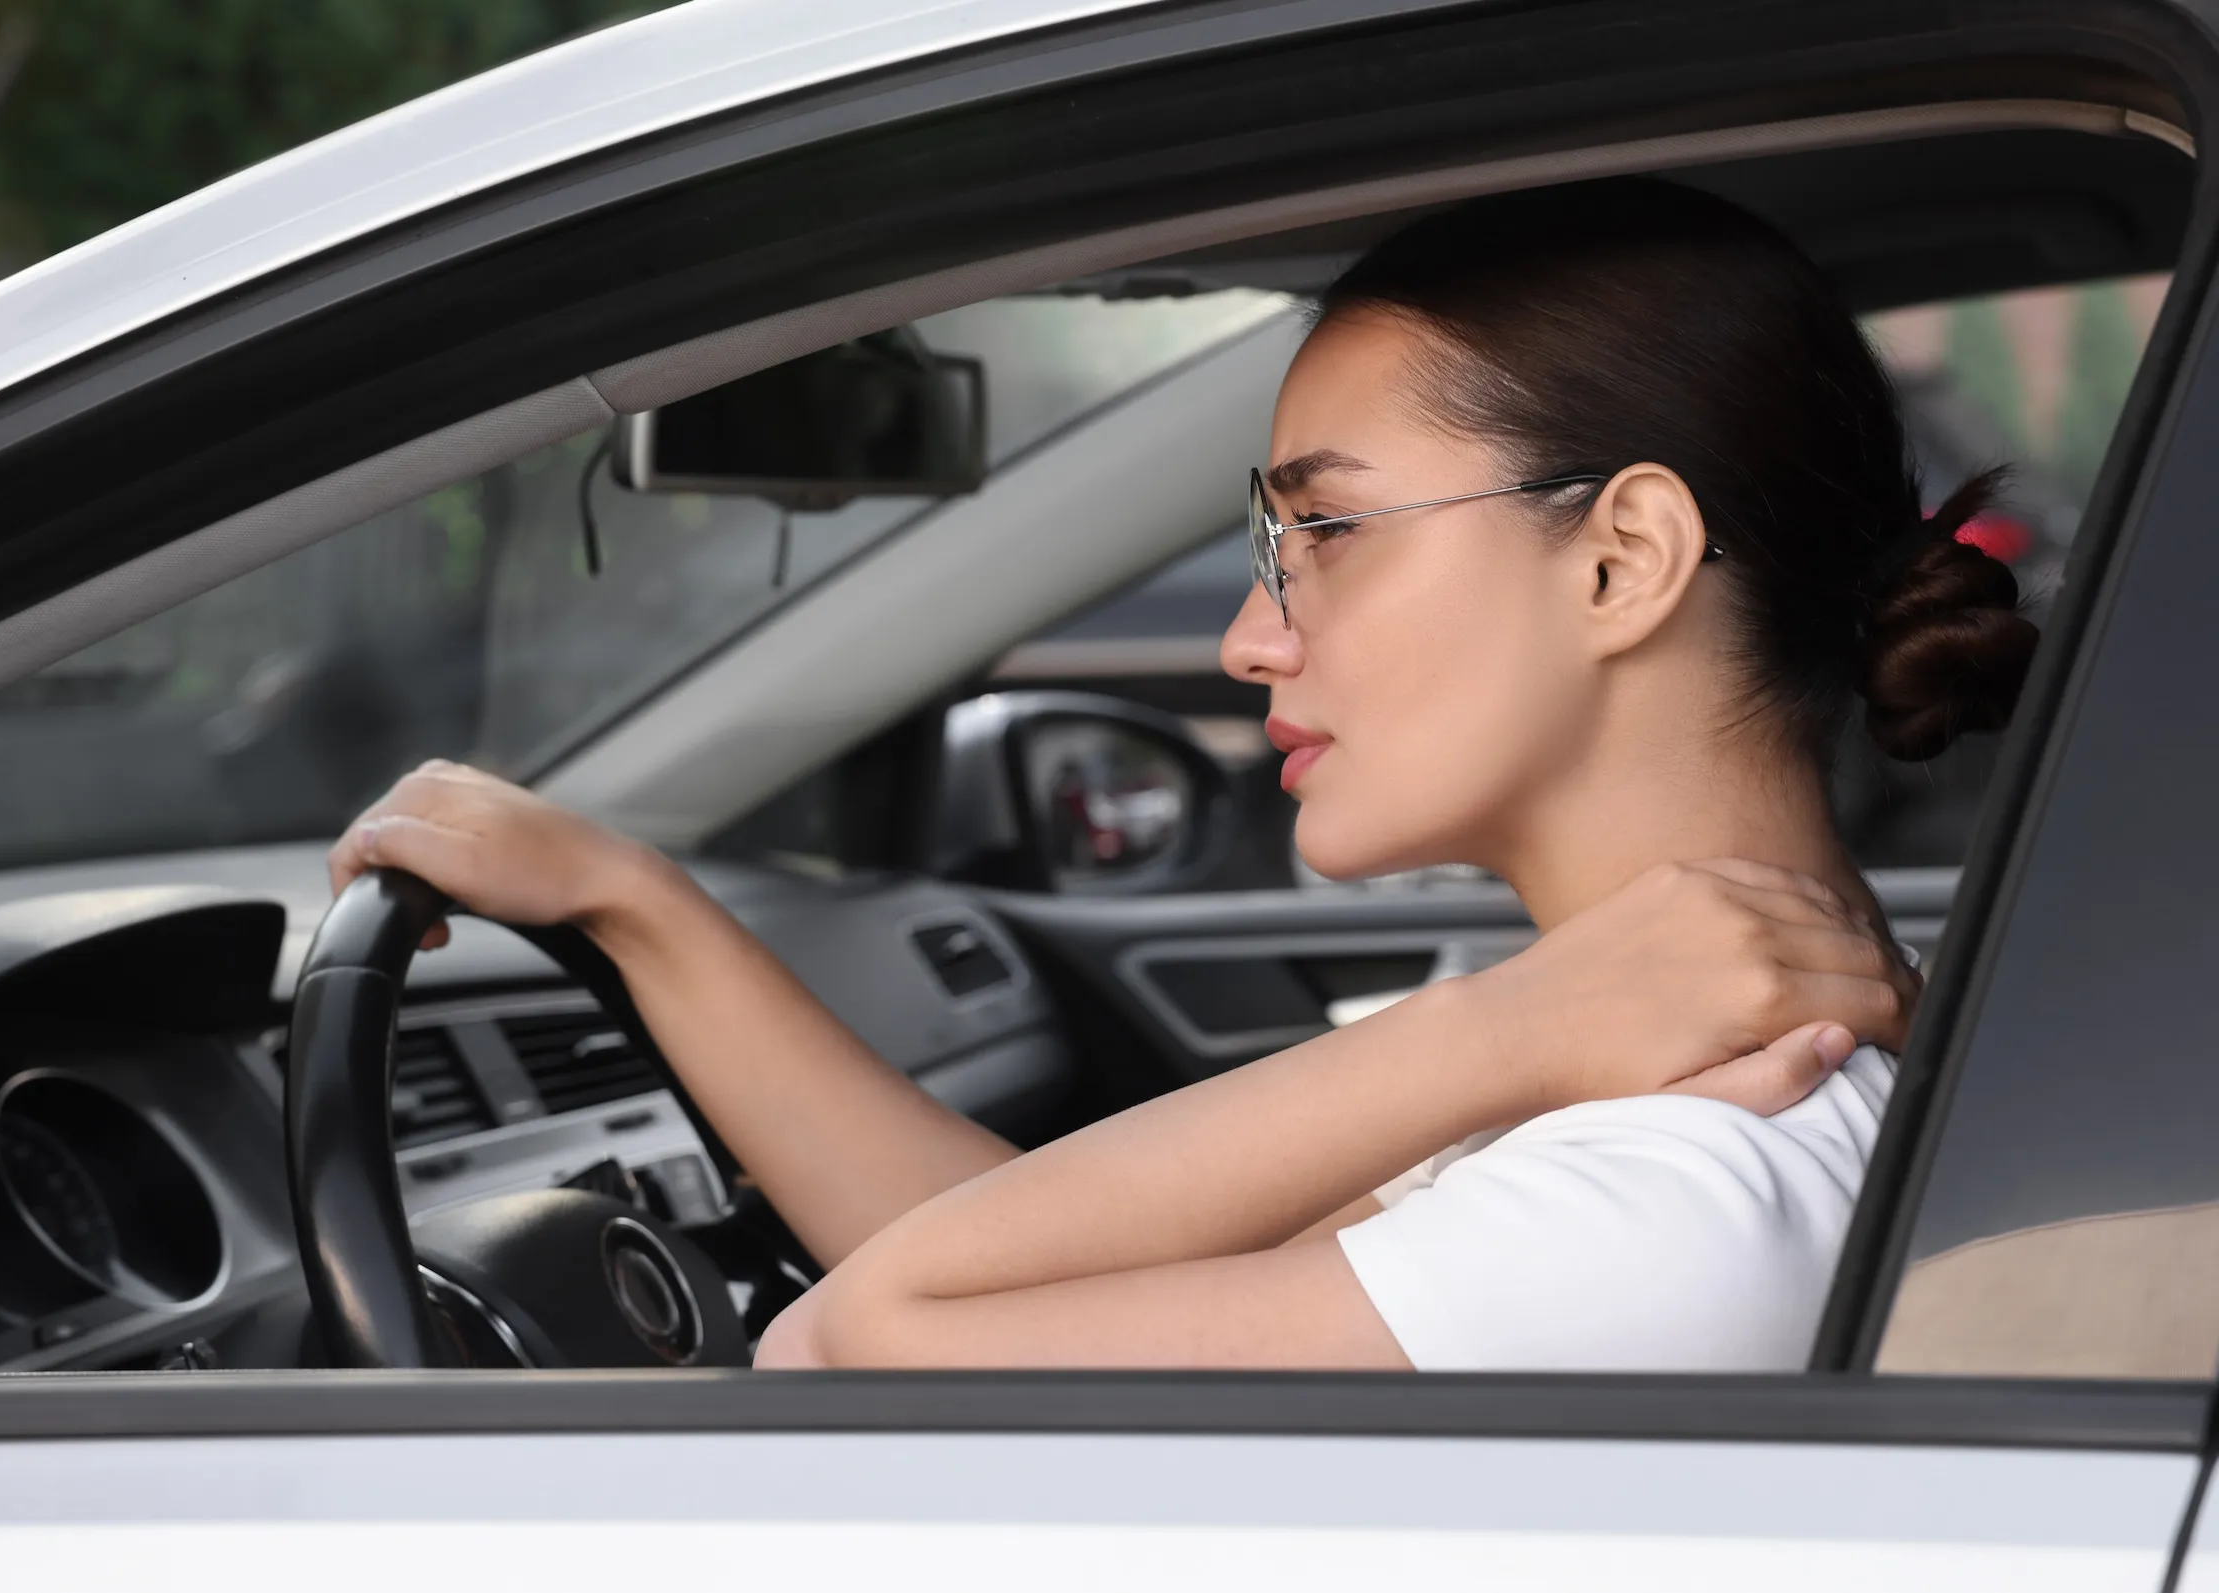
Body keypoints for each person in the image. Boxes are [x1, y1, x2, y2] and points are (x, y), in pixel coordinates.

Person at [328, 179, 2034, 1371]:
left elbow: (849, 1347)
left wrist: (1502, 1027)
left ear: (1620, 559)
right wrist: (639, 905)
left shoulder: (1665, 1190)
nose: (1250, 636)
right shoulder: (1690, 1086)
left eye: (1324, 533)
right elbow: (1020, 1260)